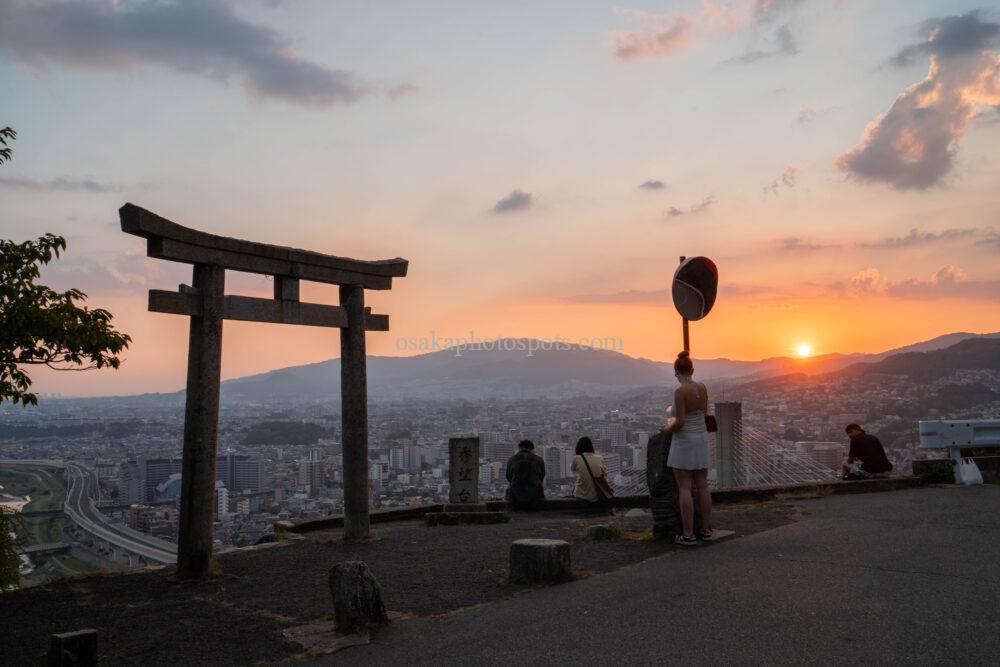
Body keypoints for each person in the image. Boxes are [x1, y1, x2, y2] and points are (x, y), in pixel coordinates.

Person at [662, 350, 713, 546]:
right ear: (692, 369)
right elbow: (703, 414)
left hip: (684, 442)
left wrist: (666, 429)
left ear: (676, 371)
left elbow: (681, 421)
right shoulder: (702, 387)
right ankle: (706, 529)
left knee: (684, 487)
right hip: (701, 438)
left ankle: (688, 533)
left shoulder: (680, 391)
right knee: (703, 485)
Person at [505, 439, 546, 510]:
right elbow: (541, 477)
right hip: (535, 498)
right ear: (532, 449)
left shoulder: (512, 459)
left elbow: (509, 477)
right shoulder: (539, 460)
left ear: (519, 448)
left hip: (515, 498)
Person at [570, 436, 607, 503]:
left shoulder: (576, 458)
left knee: (576, 485)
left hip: (581, 495)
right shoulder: (599, 457)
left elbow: (573, 470)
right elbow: (605, 473)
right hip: (597, 495)